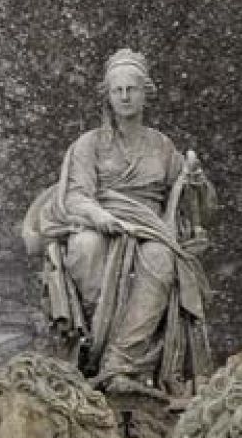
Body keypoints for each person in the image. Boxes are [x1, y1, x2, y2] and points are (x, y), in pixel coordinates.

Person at [22, 48, 216, 399]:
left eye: (132, 89)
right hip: (102, 221)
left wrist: (196, 181)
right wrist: (99, 216)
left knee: (160, 257)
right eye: (118, 90)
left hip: (151, 228)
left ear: (146, 93)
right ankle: (94, 342)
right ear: (108, 96)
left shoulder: (162, 146)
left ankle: (120, 361)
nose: (125, 97)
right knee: (85, 246)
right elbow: (76, 196)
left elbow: (188, 203)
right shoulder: (89, 145)